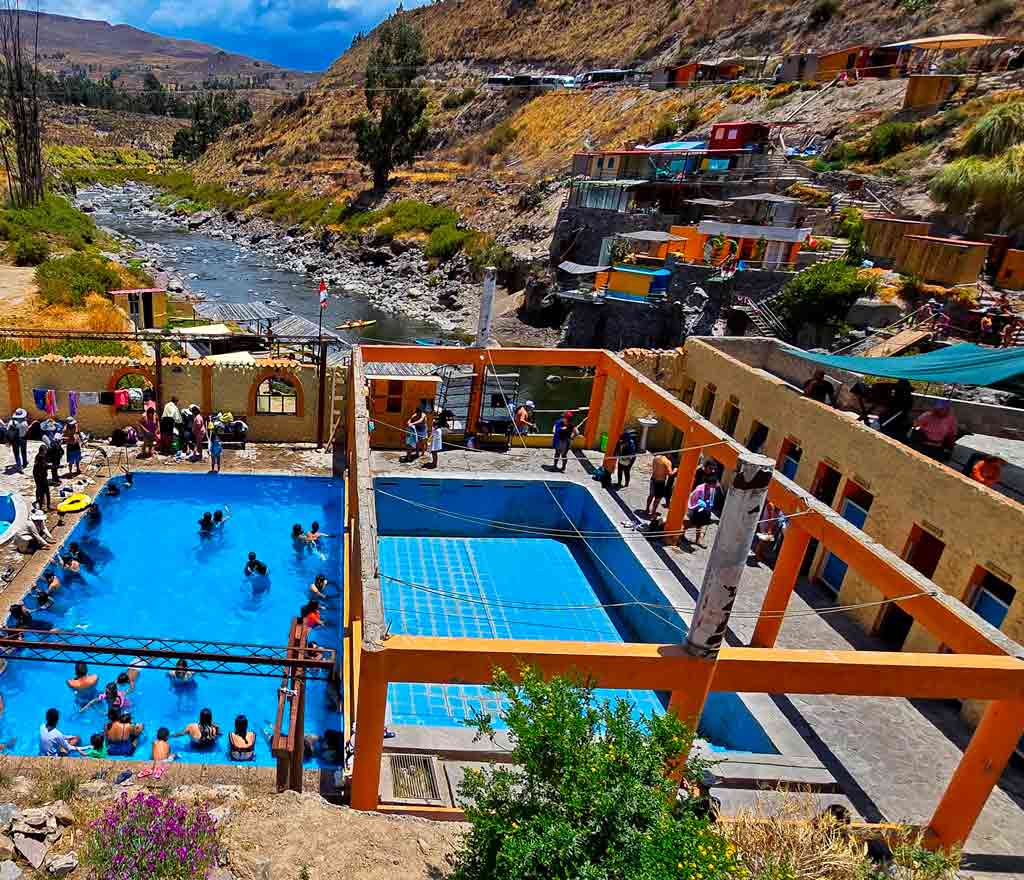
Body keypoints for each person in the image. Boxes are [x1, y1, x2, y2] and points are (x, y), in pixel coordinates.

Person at [685, 476, 718, 547]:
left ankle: (698, 540)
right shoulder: (699, 489)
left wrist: (708, 505)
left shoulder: (712, 489)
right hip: (696, 509)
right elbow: (693, 499)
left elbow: (711, 499)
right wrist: (699, 503)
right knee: (693, 524)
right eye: (715, 484)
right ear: (711, 483)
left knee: (703, 524)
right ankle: (680, 534)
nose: (717, 485)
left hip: (705, 510)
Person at [9, 408, 29, 473]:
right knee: (23, 451)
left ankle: (19, 466)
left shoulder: (11, 422)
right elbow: (27, 430)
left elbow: (8, 430)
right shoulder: (25, 422)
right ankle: (25, 462)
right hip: (23, 438)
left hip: (15, 439)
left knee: (16, 453)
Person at [33, 445, 51, 511]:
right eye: (45, 451)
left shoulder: (41, 457)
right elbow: (44, 467)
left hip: (40, 477)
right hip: (40, 478)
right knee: (44, 492)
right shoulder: (40, 458)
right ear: (42, 451)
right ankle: (43, 506)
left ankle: (46, 505)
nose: (46, 452)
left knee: (43, 491)